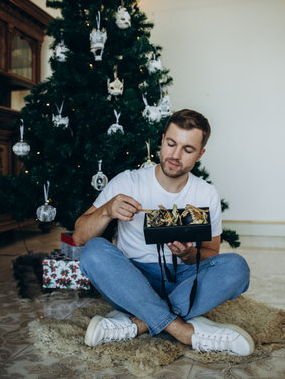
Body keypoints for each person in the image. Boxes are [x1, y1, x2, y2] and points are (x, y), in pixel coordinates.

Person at [74, 109, 254, 355]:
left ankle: (140, 322)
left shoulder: (206, 194)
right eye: (171, 144)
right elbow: (79, 237)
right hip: (131, 280)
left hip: (183, 279)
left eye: (187, 150)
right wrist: (106, 210)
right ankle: (183, 330)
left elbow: (212, 252)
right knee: (94, 251)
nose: (175, 155)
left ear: (200, 154)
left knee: (237, 267)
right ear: (161, 140)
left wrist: (188, 256)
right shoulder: (128, 181)